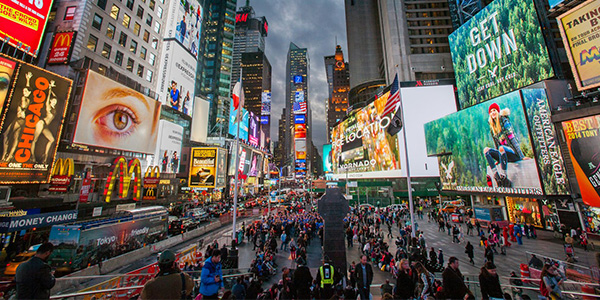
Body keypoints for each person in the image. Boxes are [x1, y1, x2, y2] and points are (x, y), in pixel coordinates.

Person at [484, 102, 526, 187]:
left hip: (512, 153)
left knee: (501, 148)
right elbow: (496, 144)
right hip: (502, 154)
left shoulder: (504, 121)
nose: (493, 112)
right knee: (486, 150)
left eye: (494, 110)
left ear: (498, 111)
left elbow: (513, 139)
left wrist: (521, 156)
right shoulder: (492, 127)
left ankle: (504, 176)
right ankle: (497, 177)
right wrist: (498, 160)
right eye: (491, 111)